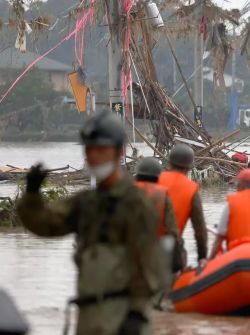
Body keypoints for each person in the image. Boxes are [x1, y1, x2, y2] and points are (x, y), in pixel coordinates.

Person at [17, 112, 165, 335]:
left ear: (119, 152)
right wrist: (32, 194)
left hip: (122, 316)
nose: (93, 156)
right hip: (88, 316)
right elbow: (45, 225)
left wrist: (135, 315)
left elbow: (149, 266)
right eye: (89, 149)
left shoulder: (135, 204)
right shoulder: (87, 203)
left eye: (101, 150)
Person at [158, 144, 208, 269]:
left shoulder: (153, 179)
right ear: (189, 167)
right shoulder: (191, 188)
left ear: (169, 163)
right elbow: (200, 229)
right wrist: (202, 257)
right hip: (169, 249)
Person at [209, 169, 250, 257]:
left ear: (240, 184)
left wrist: (209, 260)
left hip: (237, 255)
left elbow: (220, 236)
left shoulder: (231, 202)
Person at [134, 157, 182, 273]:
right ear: (158, 177)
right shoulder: (162, 196)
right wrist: (176, 265)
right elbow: (172, 232)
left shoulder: (122, 191)